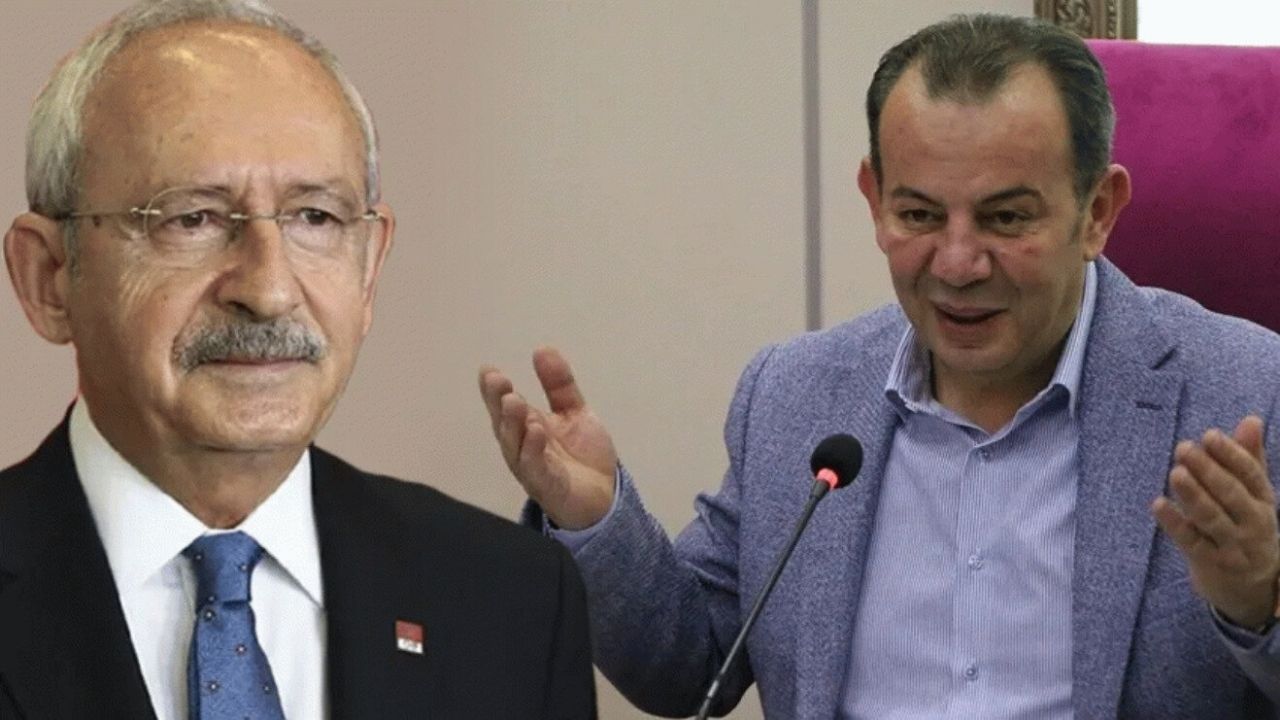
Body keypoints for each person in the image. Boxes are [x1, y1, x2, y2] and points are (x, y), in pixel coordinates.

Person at [480, 14, 1280, 719]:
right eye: (920, 215)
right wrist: (594, 520)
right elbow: (688, 667)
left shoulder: (1247, 393)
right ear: (874, 200)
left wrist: (1260, 604)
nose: (958, 263)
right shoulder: (793, 395)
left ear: (1097, 211)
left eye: (1006, 218)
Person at [0, 1, 595, 718]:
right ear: (49, 278)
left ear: (369, 268)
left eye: (315, 217)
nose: (269, 290)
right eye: (192, 218)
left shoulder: (513, 599)